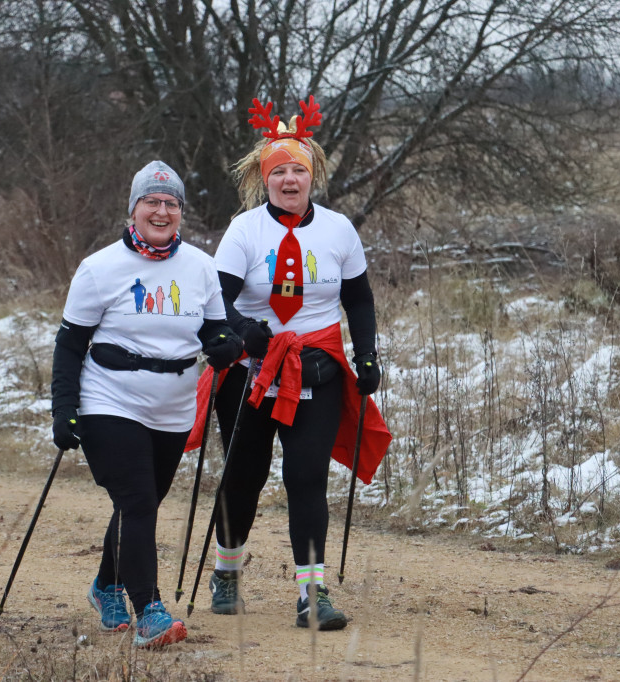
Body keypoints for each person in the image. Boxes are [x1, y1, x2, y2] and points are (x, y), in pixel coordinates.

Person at [185, 97, 392, 630]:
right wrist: (243, 330)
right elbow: (217, 301)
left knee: (306, 477)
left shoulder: (339, 231)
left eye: (299, 169)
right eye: (280, 171)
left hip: (316, 366)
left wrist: (366, 353)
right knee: (244, 477)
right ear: (264, 178)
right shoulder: (244, 231)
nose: (290, 180)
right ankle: (226, 569)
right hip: (252, 374)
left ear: (313, 175)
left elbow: (360, 299)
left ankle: (311, 594)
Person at [50, 160, 243, 648]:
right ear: (133, 208)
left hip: (174, 404)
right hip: (109, 398)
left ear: (180, 211)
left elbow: (214, 329)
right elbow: (70, 344)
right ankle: (149, 610)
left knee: (140, 503)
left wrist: (226, 344)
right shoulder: (99, 268)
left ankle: (105, 585)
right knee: (138, 501)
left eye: (170, 203)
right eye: (151, 202)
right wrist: (64, 408)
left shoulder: (200, 266)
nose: (161, 211)